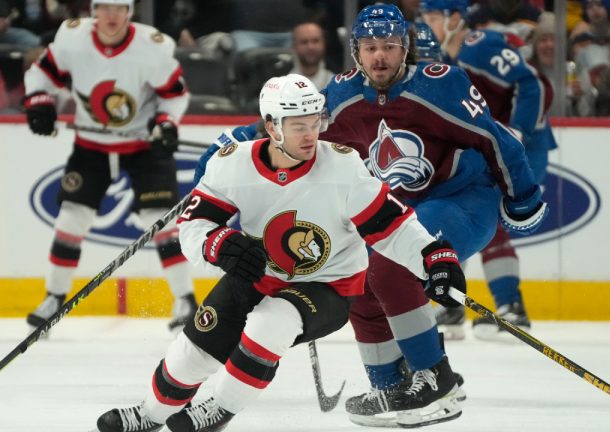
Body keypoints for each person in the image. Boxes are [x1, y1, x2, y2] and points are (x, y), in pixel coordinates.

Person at [192, 5, 546, 427]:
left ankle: (435, 379)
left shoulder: (440, 85)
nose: (381, 56)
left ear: (405, 49)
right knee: (359, 272)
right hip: (406, 208)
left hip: (462, 199)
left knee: (389, 264)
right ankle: (388, 385)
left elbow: (497, 138)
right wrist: (241, 141)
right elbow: (300, 121)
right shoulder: (344, 94)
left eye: (390, 47)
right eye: (371, 47)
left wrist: (522, 200)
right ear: (357, 50)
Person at [94, 73, 468, 432]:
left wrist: (433, 257)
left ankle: (220, 408)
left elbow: (392, 226)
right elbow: (195, 227)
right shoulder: (232, 163)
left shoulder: (343, 166)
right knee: (193, 352)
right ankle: (150, 414)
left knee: (271, 322)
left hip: (330, 286)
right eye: (298, 125)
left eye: (315, 121)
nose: (311, 134)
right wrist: (218, 244)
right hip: (259, 274)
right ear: (272, 127)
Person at [22, 0, 197, 332]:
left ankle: (186, 300)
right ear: (93, 10)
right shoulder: (72, 40)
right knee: (72, 217)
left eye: (119, 8)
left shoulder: (151, 47)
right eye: (104, 7)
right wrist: (40, 101)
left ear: (129, 11)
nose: (112, 16)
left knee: (158, 220)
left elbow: (174, 93)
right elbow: (41, 74)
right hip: (92, 147)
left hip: (144, 145)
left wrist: (167, 123)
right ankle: (53, 297)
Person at [421, 0, 556, 340]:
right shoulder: (445, 61)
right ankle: (451, 302)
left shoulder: (477, 47)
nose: (425, 24)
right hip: (490, 152)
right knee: (458, 212)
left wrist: (519, 132)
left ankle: (512, 305)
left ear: (455, 18)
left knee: (486, 215)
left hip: (520, 151)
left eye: (432, 17)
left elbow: (534, 84)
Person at [289, 21, 335, 89]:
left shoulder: (336, 83)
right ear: (294, 46)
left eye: (315, 41)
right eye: (304, 42)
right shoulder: (283, 85)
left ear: (324, 44)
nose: (310, 47)